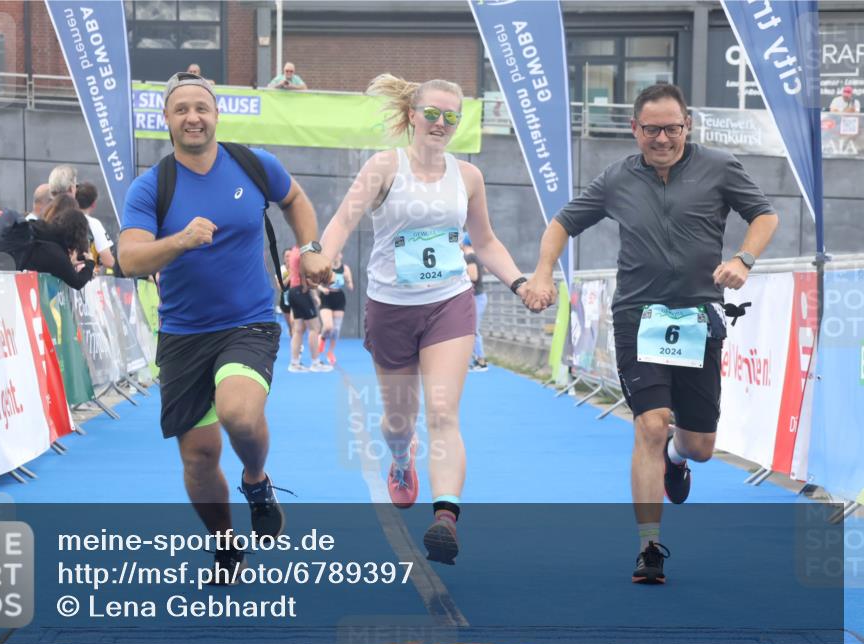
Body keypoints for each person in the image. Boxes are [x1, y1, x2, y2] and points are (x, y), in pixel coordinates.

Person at [525, 84, 779, 584]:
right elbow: (562, 223)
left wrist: (743, 258)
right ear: (634, 129)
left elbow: (765, 215)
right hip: (638, 316)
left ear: (688, 125)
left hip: (698, 316)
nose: (662, 138)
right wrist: (541, 271)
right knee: (649, 423)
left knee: (700, 444)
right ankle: (649, 548)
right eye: (652, 129)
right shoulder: (616, 178)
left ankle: (677, 459)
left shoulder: (720, 166)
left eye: (672, 128)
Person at [117, 72, 330, 581]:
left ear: (215, 115)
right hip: (185, 334)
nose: (193, 117)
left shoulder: (254, 165)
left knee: (237, 412)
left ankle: (256, 480)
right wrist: (179, 242)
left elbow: (296, 200)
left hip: (248, 321)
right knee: (199, 456)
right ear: (166, 120)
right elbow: (128, 258)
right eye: (181, 109)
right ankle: (224, 543)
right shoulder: (153, 187)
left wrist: (312, 248)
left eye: (202, 108)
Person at [320, 73, 536, 565]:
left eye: (451, 117)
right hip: (391, 307)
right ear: (413, 116)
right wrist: (320, 256)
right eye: (432, 114)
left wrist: (519, 283)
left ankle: (445, 517)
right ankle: (400, 456)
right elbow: (342, 222)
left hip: (448, 303)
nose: (441, 124)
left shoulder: (469, 177)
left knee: (442, 411)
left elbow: (485, 242)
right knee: (399, 421)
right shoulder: (383, 167)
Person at [23, 207, 96, 289]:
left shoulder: (43, 231)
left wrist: (70, 264)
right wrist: (90, 263)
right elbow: (77, 282)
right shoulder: (56, 253)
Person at [286, 244, 330, 372]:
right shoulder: (302, 253)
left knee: (298, 329)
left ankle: (294, 363)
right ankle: (315, 363)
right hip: (301, 292)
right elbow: (307, 276)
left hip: (293, 292)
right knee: (314, 328)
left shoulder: (294, 250)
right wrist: (315, 290)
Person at [317, 251, 353, 365]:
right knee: (328, 326)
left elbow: (351, 287)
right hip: (326, 296)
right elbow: (316, 283)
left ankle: (330, 352)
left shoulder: (345, 269)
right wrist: (323, 289)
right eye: (335, 253)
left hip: (339, 297)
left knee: (336, 329)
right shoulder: (326, 267)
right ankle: (322, 337)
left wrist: (347, 280)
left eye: (338, 253)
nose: (336, 255)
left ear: (341, 255)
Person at [74, 181, 116, 272]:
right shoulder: (94, 224)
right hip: (86, 279)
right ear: (93, 204)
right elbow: (108, 261)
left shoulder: (63, 219)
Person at [462, 235, 488, 372]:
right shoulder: (475, 256)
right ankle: (477, 359)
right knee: (471, 330)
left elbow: (473, 277)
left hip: (476, 297)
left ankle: (481, 361)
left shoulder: (470, 257)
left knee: (473, 330)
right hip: (477, 297)